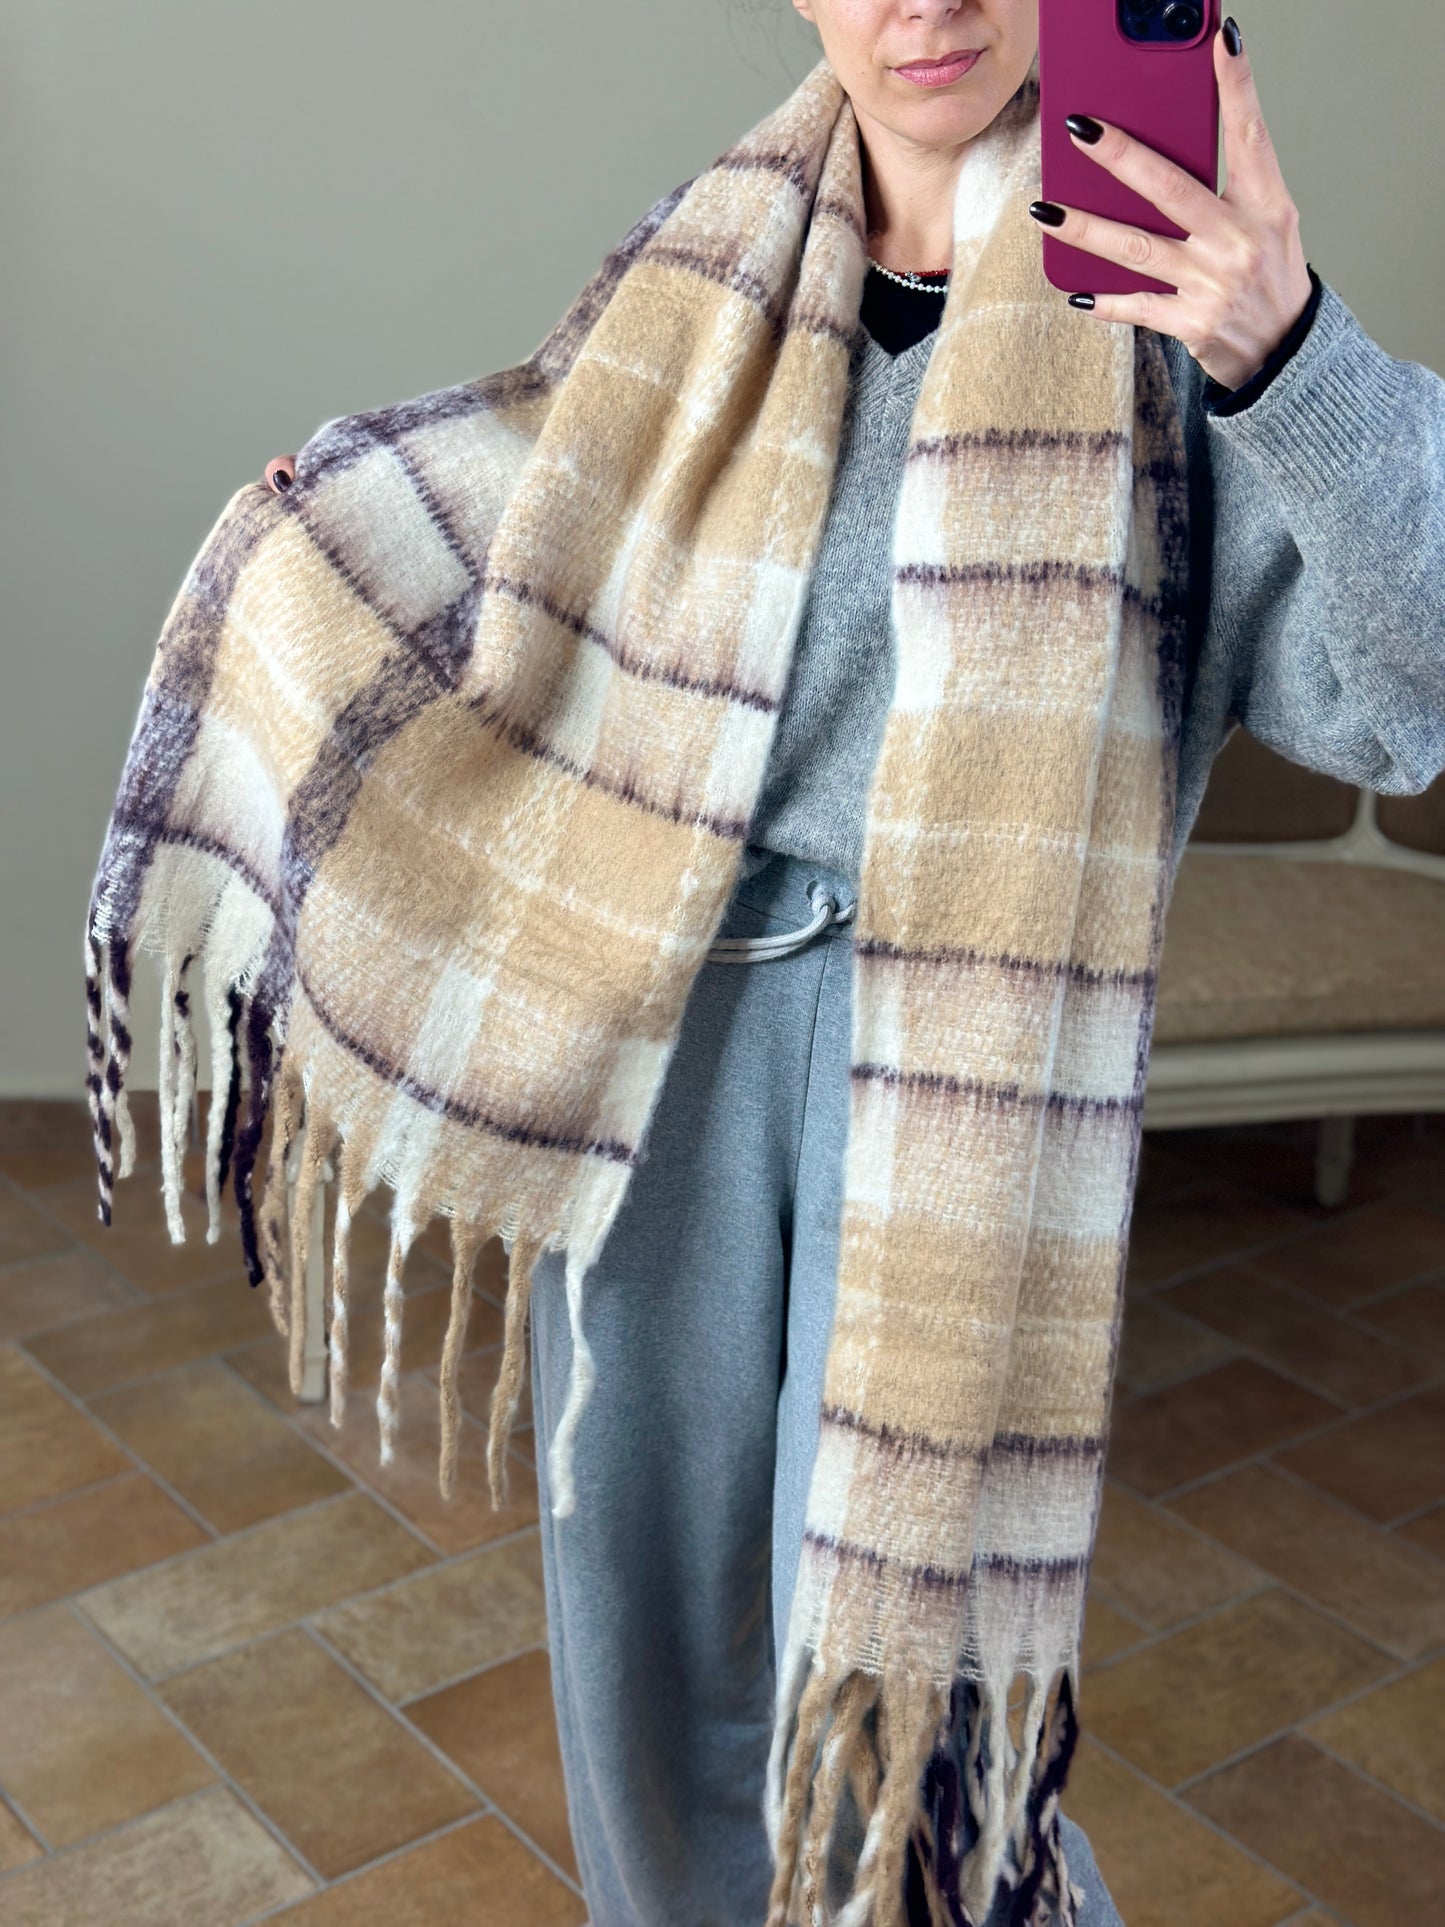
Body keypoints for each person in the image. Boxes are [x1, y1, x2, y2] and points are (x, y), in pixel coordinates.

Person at [519, 3, 1445, 1923]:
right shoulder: (696, 275)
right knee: (635, 1653)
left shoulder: (1172, 314)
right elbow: (531, 587)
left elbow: (1407, 699)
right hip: (657, 1026)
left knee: (901, 1716)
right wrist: (326, 553)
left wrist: (1288, 352)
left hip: (954, 1060)